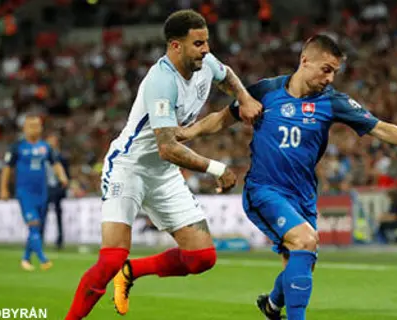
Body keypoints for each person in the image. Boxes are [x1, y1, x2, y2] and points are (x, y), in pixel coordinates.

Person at [179, 34, 397, 320]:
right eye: (326, 70)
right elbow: (221, 118)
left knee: (301, 265)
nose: (330, 78)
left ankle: (271, 304)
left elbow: (381, 128)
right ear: (305, 61)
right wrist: (187, 133)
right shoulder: (265, 92)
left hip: (304, 195)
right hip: (264, 189)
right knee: (305, 241)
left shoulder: (332, 102)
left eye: (335, 72)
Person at [64, 10, 262, 320]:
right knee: (111, 258)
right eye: (198, 43)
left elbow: (227, 75)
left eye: (207, 41)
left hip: (162, 173)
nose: (206, 49)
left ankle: (132, 272)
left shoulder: (205, 63)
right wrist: (215, 168)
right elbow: (168, 147)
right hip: (128, 168)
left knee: (202, 257)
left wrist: (245, 97)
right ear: (175, 46)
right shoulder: (161, 81)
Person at [0, 115, 69, 271]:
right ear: (24, 128)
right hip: (25, 192)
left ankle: (25, 259)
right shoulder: (17, 147)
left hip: (42, 192)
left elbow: (55, 163)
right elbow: (7, 168)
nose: (34, 129)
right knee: (33, 224)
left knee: (36, 228)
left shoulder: (45, 147)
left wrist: (62, 176)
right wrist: (3, 189)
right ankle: (43, 259)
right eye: (31, 125)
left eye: (37, 125)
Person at [43, 133, 69, 249]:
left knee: (58, 214)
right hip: (45, 188)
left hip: (57, 189)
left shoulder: (61, 157)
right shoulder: (42, 157)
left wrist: (63, 187)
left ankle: (60, 239)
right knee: (43, 214)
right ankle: (40, 238)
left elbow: (67, 173)